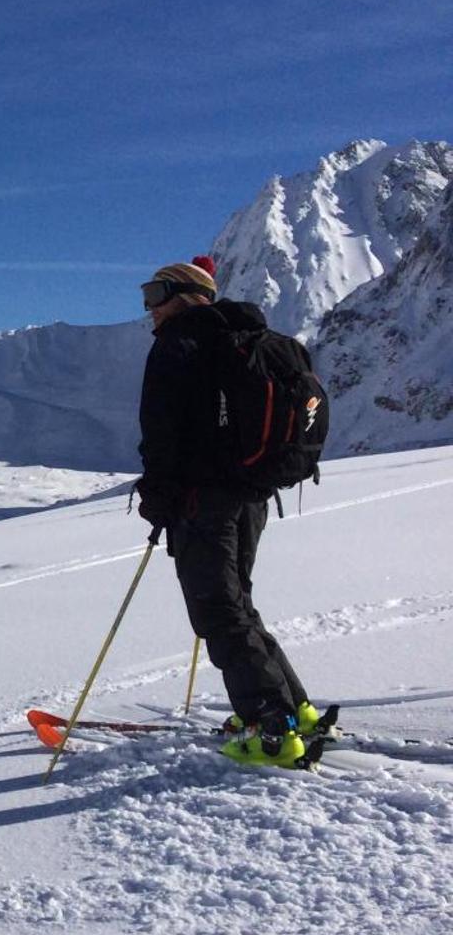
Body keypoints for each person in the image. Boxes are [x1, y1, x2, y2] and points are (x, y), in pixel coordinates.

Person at [134, 256, 324, 766]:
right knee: (237, 604)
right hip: (252, 496)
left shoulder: (180, 346)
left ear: (187, 295)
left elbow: (161, 432)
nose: (149, 308)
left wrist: (158, 497)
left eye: (156, 293)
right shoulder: (260, 343)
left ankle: (271, 730)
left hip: (203, 502)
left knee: (218, 612)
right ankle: (292, 709)